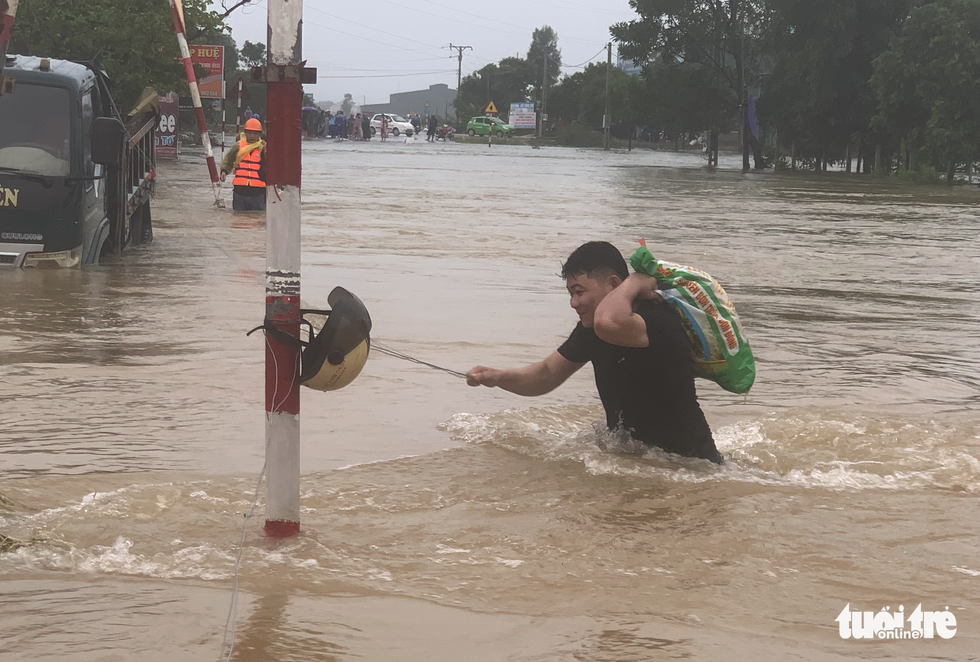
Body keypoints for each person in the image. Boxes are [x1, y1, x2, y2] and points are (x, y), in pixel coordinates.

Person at [466, 241, 723, 464]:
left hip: (690, 465)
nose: (573, 303)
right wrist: (497, 377)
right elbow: (545, 375)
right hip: (638, 459)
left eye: (579, 292)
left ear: (614, 284)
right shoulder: (593, 329)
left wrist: (634, 281)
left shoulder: (655, 321)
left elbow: (607, 322)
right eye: (570, 294)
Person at [219, 117, 266, 211]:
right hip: (239, 193)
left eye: (255, 133)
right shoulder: (237, 146)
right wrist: (224, 171)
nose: (252, 136)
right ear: (245, 133)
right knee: (238, 220)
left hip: (258, 193)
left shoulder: (263, 148)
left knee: (256, 221)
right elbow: (228, 159)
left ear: (259, 134)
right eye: (249, 133)